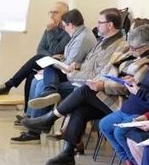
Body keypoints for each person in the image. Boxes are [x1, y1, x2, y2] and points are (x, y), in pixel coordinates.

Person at [25, 23, 149, 165]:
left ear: (147, 47)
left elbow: (128, 88)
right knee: (80, 109)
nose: (131, 50)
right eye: (131, 46)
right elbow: (107, 68)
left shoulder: (147, 64)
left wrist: (103, 85)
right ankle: (68, 153)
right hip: (107, 94)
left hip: (121, 103)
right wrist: (100, 80)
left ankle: (50, 118)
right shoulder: (127, 51)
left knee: (85, 91)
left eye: (135, 48)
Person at [16, 8, 128, 142]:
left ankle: (39, 127)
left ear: (110, 25)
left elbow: (96, 74)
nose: (97, 25)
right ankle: (46, 103)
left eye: (100, 22)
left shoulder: (114, 45)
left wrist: (73, 73)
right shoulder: (103, 41)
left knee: (46, 84)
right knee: (46, 72)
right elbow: (89, 63)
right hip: (82, 79)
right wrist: (78, 65)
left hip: (90, 85)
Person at [96, 35, 149, 165]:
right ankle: (128, 158)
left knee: (119, 132)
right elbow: (145, 87)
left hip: (144, 112)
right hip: (129, 107)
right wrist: (134, 83)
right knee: (104, 125)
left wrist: (139, 91)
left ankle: (139, 164)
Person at [0, 1, 69, 95]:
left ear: (65, 15)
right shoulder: (49, 29)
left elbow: (57, 49)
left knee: (37, 59)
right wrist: (51, 56)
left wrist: (50, 32)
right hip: (48, 63)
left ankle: (9, 84)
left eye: (55, 12)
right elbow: (40, 49)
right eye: (50, 12)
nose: (52, 16)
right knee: (30, 75)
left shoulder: (68, 30)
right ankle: (26, 104)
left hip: (59, 67)